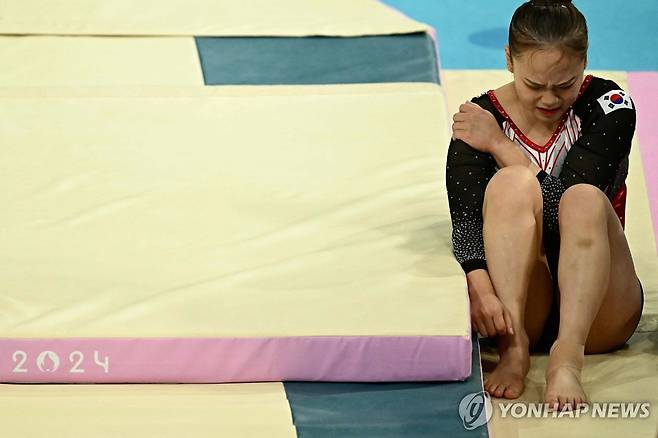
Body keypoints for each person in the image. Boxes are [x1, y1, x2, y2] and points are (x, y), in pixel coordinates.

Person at [446, 0, 644, 412]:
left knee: (585, 199)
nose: (550, 99)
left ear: (584, 63)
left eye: (565, 84)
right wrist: (480, 291)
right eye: (534, 86)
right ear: (508, 60)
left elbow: (566, 206)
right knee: (511, 185)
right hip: (522, 307)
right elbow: (465, 226)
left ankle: (566, 358)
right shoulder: (479, 118)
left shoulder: (610, 105)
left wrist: (500, 146)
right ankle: (514, 350)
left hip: (601, 312)